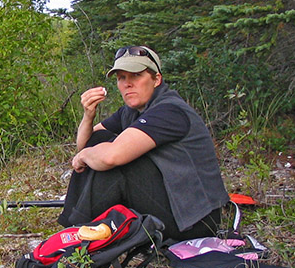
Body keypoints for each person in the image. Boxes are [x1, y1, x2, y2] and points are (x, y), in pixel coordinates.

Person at [58, 46, 229, 241]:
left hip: (196, 221)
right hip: (172, 202)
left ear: (156, 79)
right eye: (121, 78)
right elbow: (87, 142)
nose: (127, 84)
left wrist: (83, 156)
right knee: (98, 146)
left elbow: (111, 157)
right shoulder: (132, 110)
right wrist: (88, 115)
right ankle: (75, 231)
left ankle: (75, 237)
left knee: (118, 165)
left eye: (136, 76)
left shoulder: (170, 111)